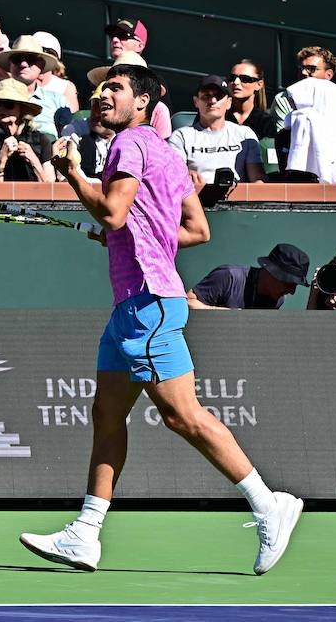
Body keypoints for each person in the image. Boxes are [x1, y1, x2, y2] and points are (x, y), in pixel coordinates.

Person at [20, 62, 303, 577]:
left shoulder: (128, 145)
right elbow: (196, 230)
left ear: (143, 103)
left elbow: (110, 212)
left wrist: (72, 174)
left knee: (182, 416)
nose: (103, 95)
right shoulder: (169, 154)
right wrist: (130, 236)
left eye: (117, 89)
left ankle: (269, 504)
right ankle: (85, 533)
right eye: (102, 88)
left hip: (146, 302)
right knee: (106, 412)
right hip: (135, 303)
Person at [168, 74, 266, 185]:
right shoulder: (181, 136)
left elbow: (257, 179)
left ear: (229, 102)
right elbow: (173, 177)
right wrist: (185, 175)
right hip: (196, 197)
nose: (213, 100)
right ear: (196, 102)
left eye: (218, 96)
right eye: (206, 96)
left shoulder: (245, 134)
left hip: (237, 198)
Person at [0, 34, 68, 137]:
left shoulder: (58, 101)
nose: (23, 64)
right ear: (10, 64)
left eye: (31, 59)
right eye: (17, 59)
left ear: (42, 66)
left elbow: (66, 141)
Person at [270, 46, 336, 134]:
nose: (304, 73)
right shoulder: (283, 99)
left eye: (311, 69)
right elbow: (283, 140)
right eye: (301, 68)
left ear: (328, 74)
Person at [0, 78, 54, 182]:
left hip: (32, 196)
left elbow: (49, 188)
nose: (1, 108)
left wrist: (33, 160)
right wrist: (1, 159)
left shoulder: (41, 140)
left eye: (8, 104)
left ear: (22, 109)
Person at [187, 243, 310, 310]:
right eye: (289, 283)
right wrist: (219, 313)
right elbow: (188, 303)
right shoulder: (228, 276)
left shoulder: (278, 300)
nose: (292, 292)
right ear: (271, 272)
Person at [226, 60, 279, 139]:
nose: (236, 82)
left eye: (244, 78)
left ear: (259, 84)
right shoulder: (219, 116)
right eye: (232, 78)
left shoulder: (265, 122)